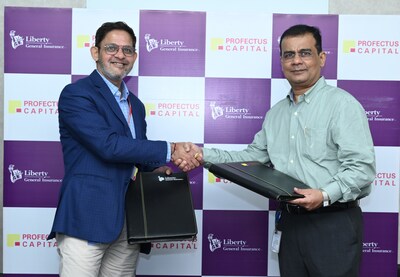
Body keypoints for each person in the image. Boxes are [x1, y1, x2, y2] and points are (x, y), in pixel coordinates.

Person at [190, 24, 376, 276]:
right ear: (281, 61)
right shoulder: (276, 113)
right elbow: (250, 158)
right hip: (290, 223)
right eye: (289, 54)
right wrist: (200, 154)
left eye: (305, 53)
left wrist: (323, 194)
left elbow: (362, 169)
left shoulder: (342, 105)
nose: (296, 61)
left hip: (332, 223)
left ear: (321, 58)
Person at [48, 21, 198, 277]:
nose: (120, 55)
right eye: (111, 48)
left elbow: (135, 154)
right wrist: (171, 149)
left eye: (127, 50)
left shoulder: (135, 105)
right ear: (95, 52)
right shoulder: (76, 94)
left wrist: (158, 168)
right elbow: (108, 146)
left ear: (135, 57)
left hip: (129, 221)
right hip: (87, 217)